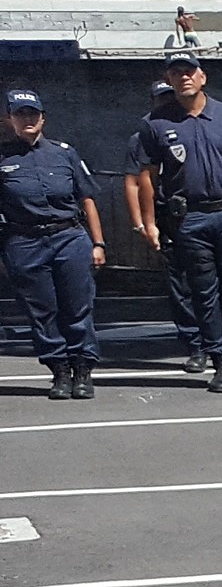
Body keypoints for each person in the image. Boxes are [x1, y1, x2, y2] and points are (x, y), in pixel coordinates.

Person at [132, 53, 222, 394]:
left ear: (202, 77)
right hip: (190, 219)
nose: (184, 77)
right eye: (176, 73)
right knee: (204, 293)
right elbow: (146, 176)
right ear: (169, 79)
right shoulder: (155, 123)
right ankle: (220, 360)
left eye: (189, 71)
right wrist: (149, 222)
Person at [0, 90, 106, 402]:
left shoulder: (64, 153)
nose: (27, 119)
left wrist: (98, 243)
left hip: (68, 238)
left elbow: (87, 198)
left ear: (43, 118)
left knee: (78, 306)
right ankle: (59, 370)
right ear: (10, 119)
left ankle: (82, 369)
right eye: (21, 114)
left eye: (33, 113)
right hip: (24, 242)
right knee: (42, 311)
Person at [124, 80, 206, 374]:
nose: (167, 102)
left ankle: (219, 340)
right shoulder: (143, 135)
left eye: (171, 96)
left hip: (199, 214)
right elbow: (134, 181)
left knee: (211, 281)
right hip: (169, 217)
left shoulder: (193, 127)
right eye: (161, 98)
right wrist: (141, 223)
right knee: (181, 284)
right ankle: (195, 343)